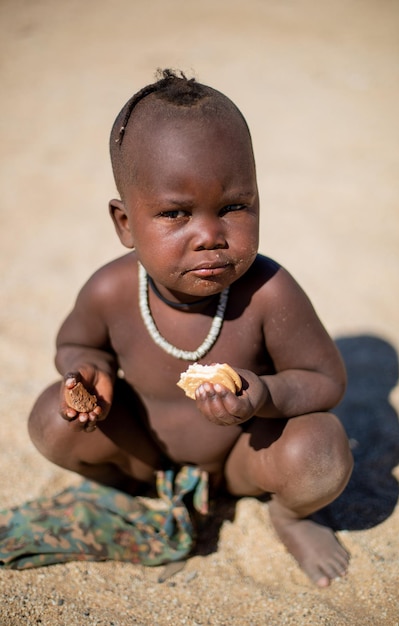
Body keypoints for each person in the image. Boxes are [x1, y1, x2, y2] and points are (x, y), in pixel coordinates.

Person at [28, 69, 353, 587]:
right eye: (176, 214)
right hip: (144, 456)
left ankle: (291, 515)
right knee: (52, 416)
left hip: (246, 458)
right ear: (125, 224)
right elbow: (75, 343)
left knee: (321, 449)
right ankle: (131, 493)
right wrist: (89, 371)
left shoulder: (268, 291)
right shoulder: (111, 292)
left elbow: (325, 380)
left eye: (233, 207)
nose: (209, 235)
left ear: (259, 201)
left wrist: (263, 394)